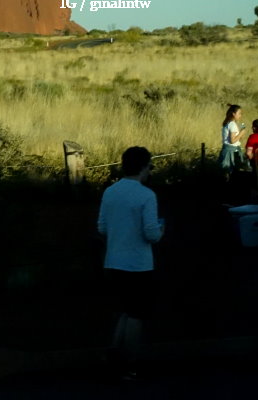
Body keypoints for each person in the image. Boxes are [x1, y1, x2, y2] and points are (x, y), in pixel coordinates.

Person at [97, 146, 163, 380]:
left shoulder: (110, 192)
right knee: (136, 314)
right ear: (144, 167)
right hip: (138, 264)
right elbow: (152, 234)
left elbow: (102, 227)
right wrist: (161, 229)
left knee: (122, 311)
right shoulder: (146, 195)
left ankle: (112, 356)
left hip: (113, 261)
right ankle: (129, 363)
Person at [218, 104, 245, 173]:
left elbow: (237, 138)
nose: (240, 115)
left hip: (227, 150)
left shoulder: (229, 123)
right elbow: (232, 141)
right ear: (233, 114)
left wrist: (240, 134)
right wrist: (241, 133)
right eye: (239, 113)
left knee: (226, 172)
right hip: (231, 152)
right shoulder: (232, 124)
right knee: (231, 172)